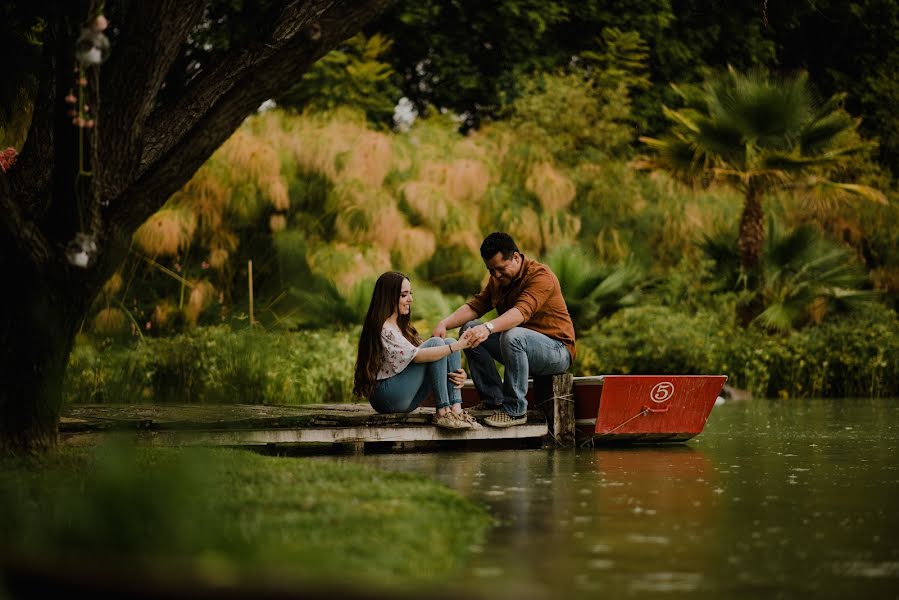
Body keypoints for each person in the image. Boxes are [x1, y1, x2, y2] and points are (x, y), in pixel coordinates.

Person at [432, 232, 575, 428]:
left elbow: (520, 313)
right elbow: (475, 306)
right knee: (469, 330)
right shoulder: (498, 280)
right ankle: (493, 401)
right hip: (519, 349)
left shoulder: (541, 276)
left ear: (516, 257)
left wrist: (488, 327)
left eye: (500, 269)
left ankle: (515, 410)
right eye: (491, 271)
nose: (496, 275)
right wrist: (444, 323)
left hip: (557, 351)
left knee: (512, 335)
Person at [353, 271, 482, 430]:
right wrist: (459, 346)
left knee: (447, 342)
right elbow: (419, 356)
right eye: (404, 295)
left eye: (410, 293)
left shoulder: (402, 327)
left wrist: (459, 374)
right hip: (386, 397)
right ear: (388, 297)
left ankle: (456, 410)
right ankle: (442, 412)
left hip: (405, 398)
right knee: (439, 344)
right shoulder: (384, 329)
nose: (410, 299)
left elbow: (435, 356)